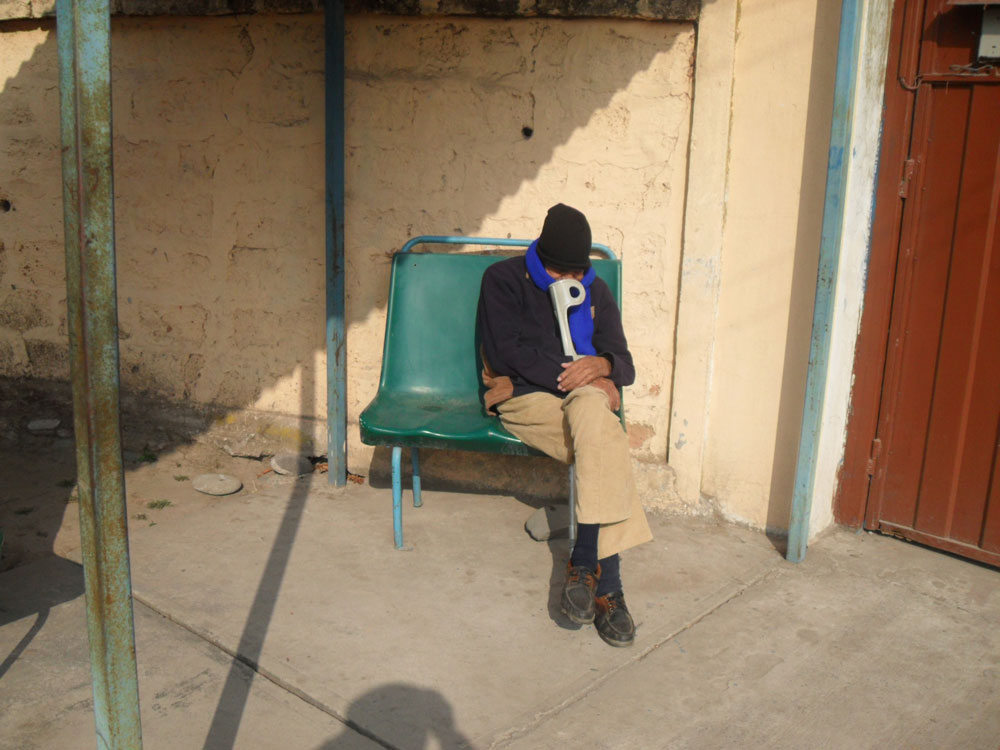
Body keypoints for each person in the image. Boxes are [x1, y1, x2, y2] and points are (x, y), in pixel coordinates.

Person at [476, 203, 652, 647]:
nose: (569, 280)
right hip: (523, 395)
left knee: (593, 418)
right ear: (541, 256)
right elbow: (507, 355)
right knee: (603, 438)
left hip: (583, 400)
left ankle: (585, 563)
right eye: (559, 271)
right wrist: (582, 376)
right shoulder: (503, 279)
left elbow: (624, 363)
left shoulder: (596, 291)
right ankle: (609, 585)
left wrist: (602, 365)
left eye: (576, 272)